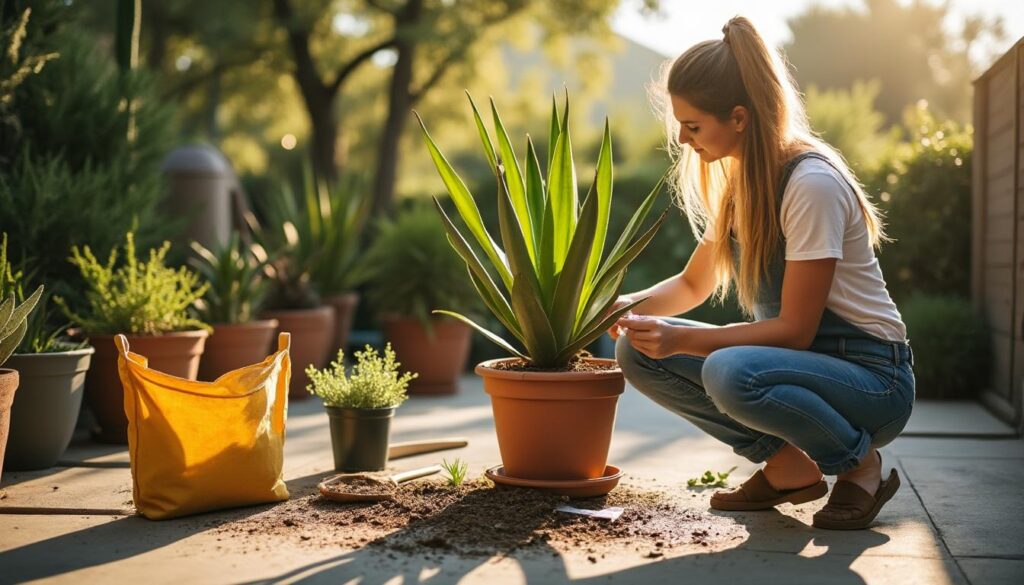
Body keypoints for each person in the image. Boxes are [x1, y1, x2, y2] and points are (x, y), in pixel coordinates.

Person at [611, 16, 915, 530]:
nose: (682, 139)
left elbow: (795, 331)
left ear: (738, 118)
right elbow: (693, 284)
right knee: (636, 352)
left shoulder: (811, 184)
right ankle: (787, 468)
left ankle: (860, 466)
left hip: (872, 380)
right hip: (799, 366)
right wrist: (617, 309)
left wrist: (682, 340)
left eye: (692, 126)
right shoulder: (742, 187)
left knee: (729, 371)